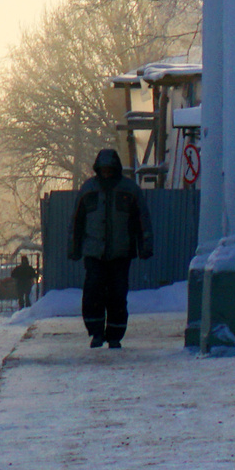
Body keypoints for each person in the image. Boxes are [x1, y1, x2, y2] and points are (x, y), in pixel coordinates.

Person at [68, 147, 151, 349]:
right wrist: (74, 248)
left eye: (109, 169)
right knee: (92, 293)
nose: (106, 172)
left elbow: (142, 220)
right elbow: (77, 222)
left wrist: (145, 246)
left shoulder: (130, 190)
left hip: (120, 253)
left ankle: (114, 335)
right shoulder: (88, 190)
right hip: (94, 253)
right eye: (103, 169)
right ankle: (96, 333)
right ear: (98, 169)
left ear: (115, 168)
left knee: (118, 295)